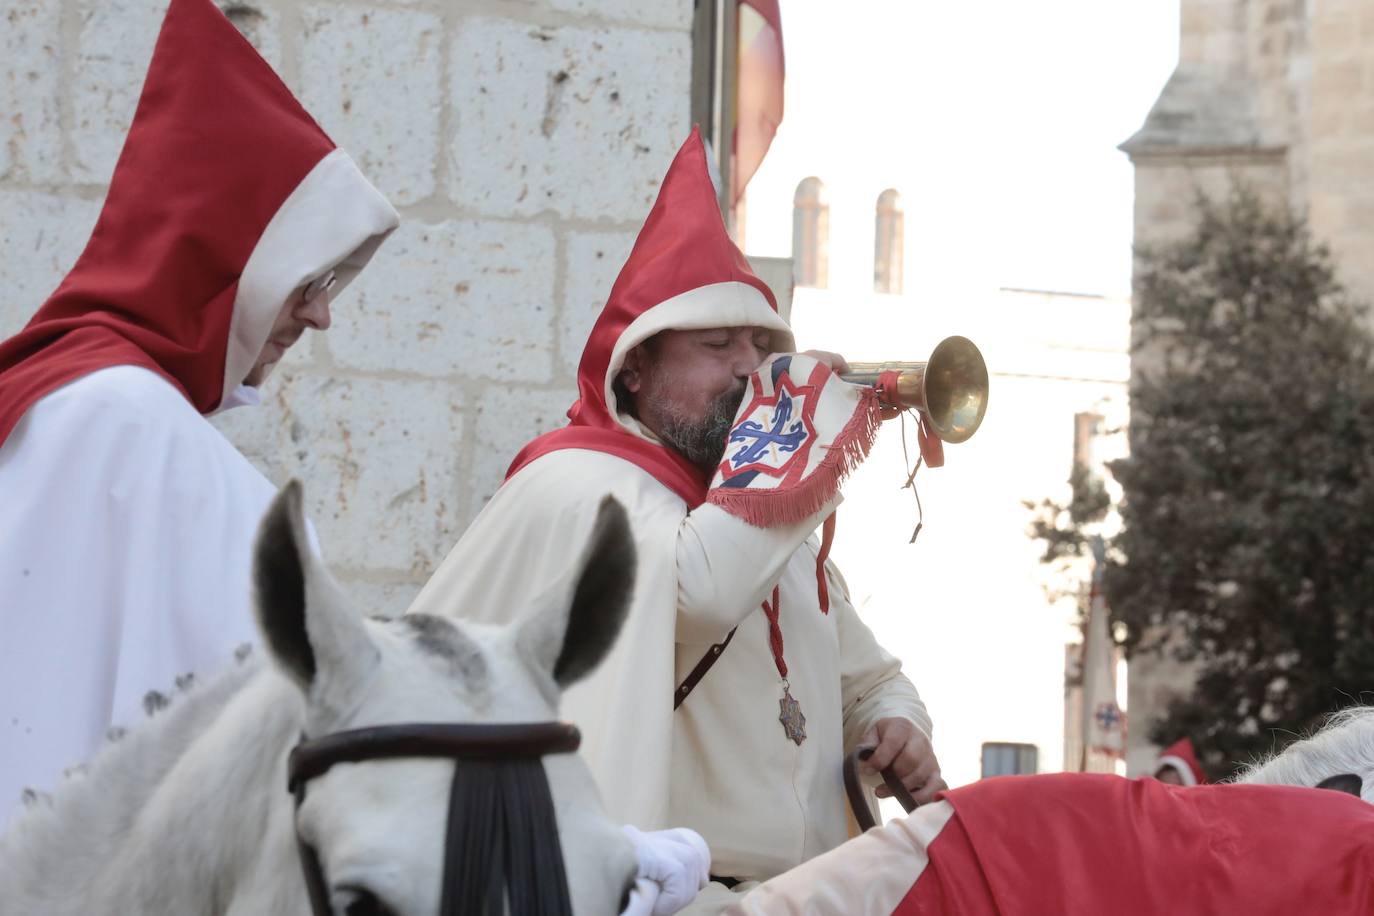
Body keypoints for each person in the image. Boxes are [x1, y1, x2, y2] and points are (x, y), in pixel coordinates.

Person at [406, 129, 941, 910]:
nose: (747, 370)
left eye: (762, 346)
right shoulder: (581, 480)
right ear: (637, 368)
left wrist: (898, 726)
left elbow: (872, 679)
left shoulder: (765, 523)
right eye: (717, 344)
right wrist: (796, 445)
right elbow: (697, 593)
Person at [0, 0, 399, 828]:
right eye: (309, 282)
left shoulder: (51, 392)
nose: (320, 317)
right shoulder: (144, 430)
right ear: (228, 258)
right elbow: (277, 732)